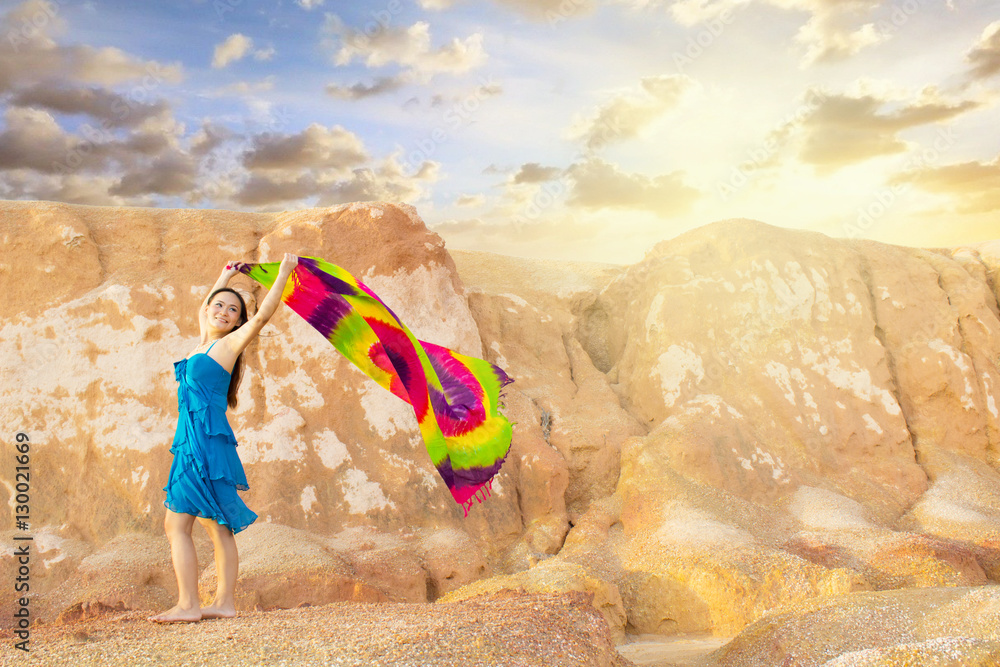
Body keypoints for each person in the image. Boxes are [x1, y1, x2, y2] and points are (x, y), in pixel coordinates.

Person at [149, 253, 298, 623]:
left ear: (237, 321)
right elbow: (206, 304)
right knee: (216, 527)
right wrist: (225, 274)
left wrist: (284, 273)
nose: (223, 312)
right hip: (193, 441)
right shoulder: (201, 343)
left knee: (177, 525)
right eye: (220, 305)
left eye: (233, 310)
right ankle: (224, 603)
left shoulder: (228, 347)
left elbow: (262, 316)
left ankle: (188, 606)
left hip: (203, 443)